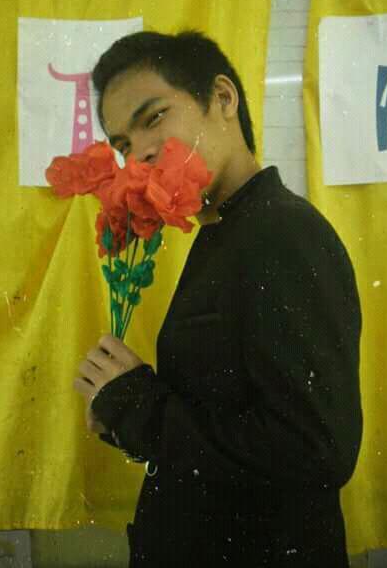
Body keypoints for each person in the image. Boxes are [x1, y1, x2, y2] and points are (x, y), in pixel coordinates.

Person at [73, 30, 363, 567]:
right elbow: (224, 412)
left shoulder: (282, 233)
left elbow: (316, 450)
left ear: (223, 98)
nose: (141, 154)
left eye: (154, 117)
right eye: (123, 144)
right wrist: (123, 416)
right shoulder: (228, 232)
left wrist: (137, 407)